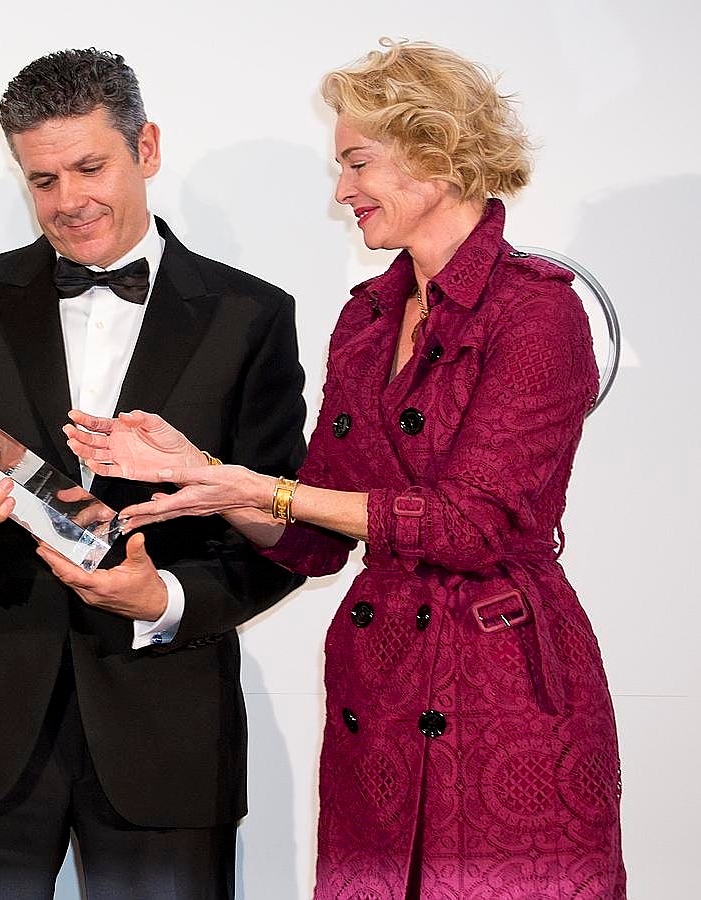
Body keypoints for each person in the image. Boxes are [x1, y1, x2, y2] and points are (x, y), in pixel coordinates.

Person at [64, 39, 625, 899]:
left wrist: (256, 486)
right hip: (382, 686)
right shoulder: (367, 316)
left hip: (503, 689)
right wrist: (202, 472)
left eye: (358, 162)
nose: (341, 191)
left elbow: (477, 523)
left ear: (437, 157)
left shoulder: (538, 312)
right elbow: (315, 538)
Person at [0, 48, 307, 898]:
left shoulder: (252, 316)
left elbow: (286, 534)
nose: (68, 201)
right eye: (42, 180)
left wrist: (162, 600)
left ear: (149, 148)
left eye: (89, 167)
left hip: (168, 737)